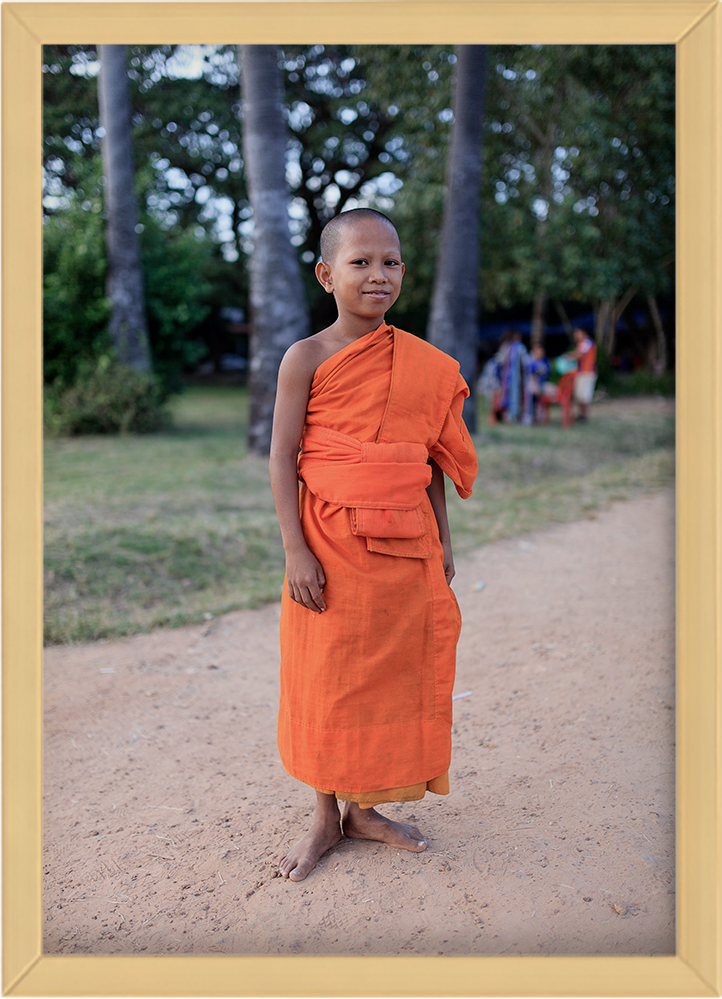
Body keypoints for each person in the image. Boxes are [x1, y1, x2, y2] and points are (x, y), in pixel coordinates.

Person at [268, 208, 478, 882]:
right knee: (329, 677)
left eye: (390, 262)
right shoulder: (305, 357)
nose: (378, 274)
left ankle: (363, 810)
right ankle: (324, 816)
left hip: (405, 541)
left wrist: (443, 538)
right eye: (360, 262)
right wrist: (295, 551)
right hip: (328, 542)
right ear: (326, 275)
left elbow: (430, 458)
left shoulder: (424, 364)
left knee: (386, 674)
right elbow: (282, 457)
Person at [572, 327, 598, 422]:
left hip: (587, 372)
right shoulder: (581, 343)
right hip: (581, 372)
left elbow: (579, 355)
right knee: (579, 396)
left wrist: (568, 357)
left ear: (583, 333)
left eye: (577, 333)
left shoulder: (586, 342)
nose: (575, 335)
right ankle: (581, 415)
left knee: (585, 396)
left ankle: (585, 416)